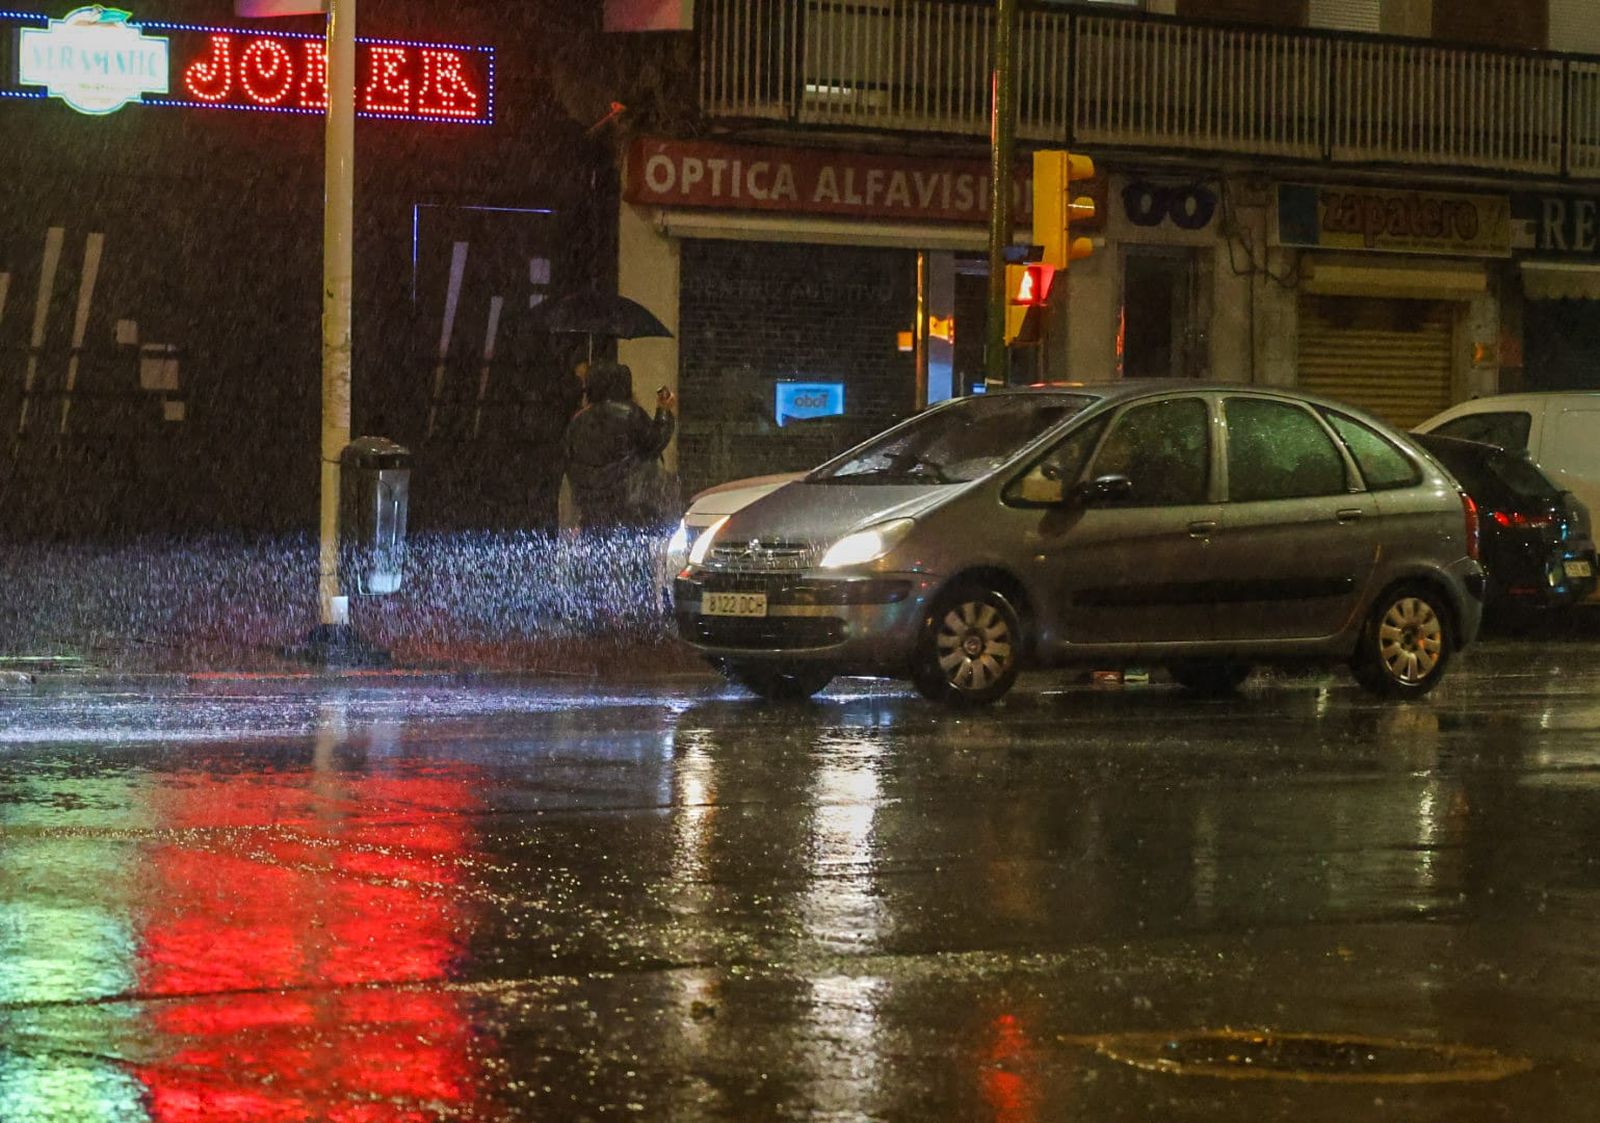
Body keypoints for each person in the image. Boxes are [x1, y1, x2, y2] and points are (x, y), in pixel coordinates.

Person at [562, 360, 677, 531]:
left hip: (591, 508)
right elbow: (654, 443)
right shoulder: (631, 413)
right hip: (628, 506)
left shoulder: (578, 421)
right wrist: (664, 411)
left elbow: (569, 459)